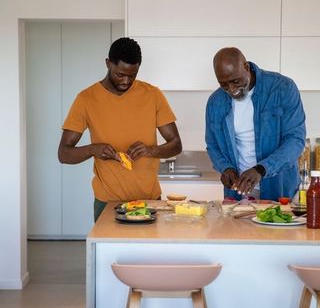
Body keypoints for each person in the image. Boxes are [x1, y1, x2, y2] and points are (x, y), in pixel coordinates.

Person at [58, 37, 182, 221]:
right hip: (107, 202)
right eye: (119, 75)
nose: (126, 81)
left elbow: (176, 145)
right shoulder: (86, 99)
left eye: (132, 75)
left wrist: (151, 150)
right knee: (107, 251)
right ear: (108, 63)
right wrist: (93, 149)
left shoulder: (153, 95)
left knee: (148, 251)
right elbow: (64, 154)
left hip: (149, 200)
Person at [205, 47, 306, 201]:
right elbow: (213, 145)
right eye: (224, 85)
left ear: (246, 67)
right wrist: (225, 168)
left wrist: (261, 169)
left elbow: (295, 140)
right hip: (238, 193)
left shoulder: (282, 88)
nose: (231, 90)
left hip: (279, 189)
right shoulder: (215, 102)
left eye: (236, 81)